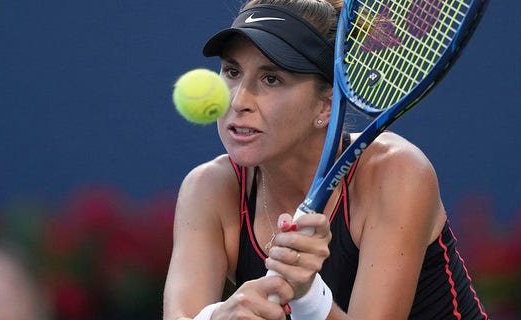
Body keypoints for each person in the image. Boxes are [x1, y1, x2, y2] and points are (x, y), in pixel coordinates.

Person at [163, 0, 489, 319]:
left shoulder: (396, 172)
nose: (238, 100)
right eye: (232, 71)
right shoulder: (209, 188)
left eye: (271, 79)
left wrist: (307, 297)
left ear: (326, 106)